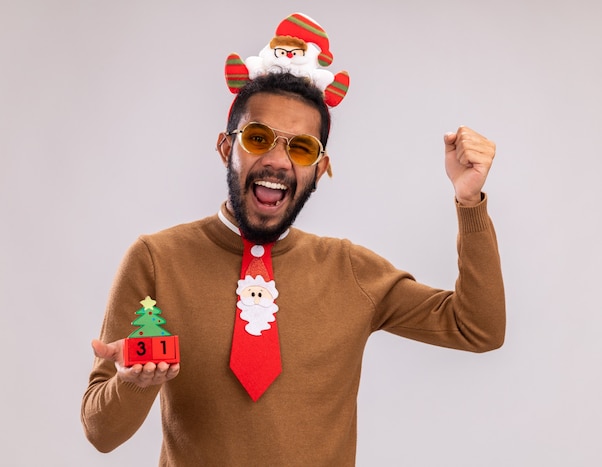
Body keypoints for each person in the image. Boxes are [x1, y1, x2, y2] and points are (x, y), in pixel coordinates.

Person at [82, 15, 505, 467]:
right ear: (227, 149)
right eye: (258, 138)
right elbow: (100, 433)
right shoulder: (155, 260)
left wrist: (470, 200)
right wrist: (131, 382)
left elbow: (477, 328)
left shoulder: (351, 270)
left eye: (301, 148)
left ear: (320, 168)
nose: (278, 161)